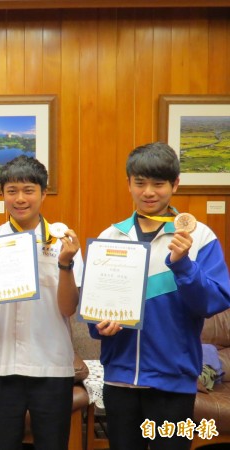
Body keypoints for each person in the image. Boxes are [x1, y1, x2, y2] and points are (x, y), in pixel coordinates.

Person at [89, 142, 230, 450]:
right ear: (128, 184)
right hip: (120, 380)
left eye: (158, 184)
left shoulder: (199, 238)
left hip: (173, 382)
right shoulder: (110, 238)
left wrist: (184, 266)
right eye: (140, 183)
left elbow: (213, 302)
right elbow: (93, 311)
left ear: (175, 184)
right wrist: (99, 324)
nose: (148, 192)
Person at [0, 155, 84, 450]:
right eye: (12, 190)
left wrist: (66, 264)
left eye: (28, 190)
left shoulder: (63, 241)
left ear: (43, 193)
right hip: (3, 367)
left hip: (51, 366)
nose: (20, 198)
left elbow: (69, 309)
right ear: (2, 194)